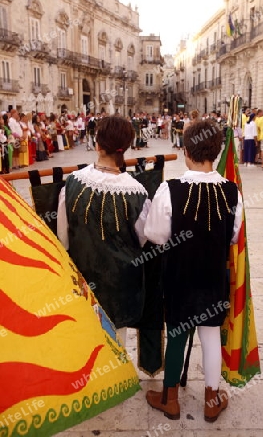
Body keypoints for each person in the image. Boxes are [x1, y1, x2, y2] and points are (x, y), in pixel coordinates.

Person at [144, 119, 243, 422]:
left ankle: (170, 398)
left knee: (176, 332)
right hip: (213, 277)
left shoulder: (169, 189)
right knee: (211, 335)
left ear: (185, 150)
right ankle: (211, 400)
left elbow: (155, 234)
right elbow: (235, 235)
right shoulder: (232, 191)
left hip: (179, 277)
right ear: (217, 150)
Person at [57, 116, 150, 346]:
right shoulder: (138, 192)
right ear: (126, 147)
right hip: (122, 283)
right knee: (118, 345)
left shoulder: (72, 183)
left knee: (86, 345)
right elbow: (142, 237)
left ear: (97, 145)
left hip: (84, 279)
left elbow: (62, 237)